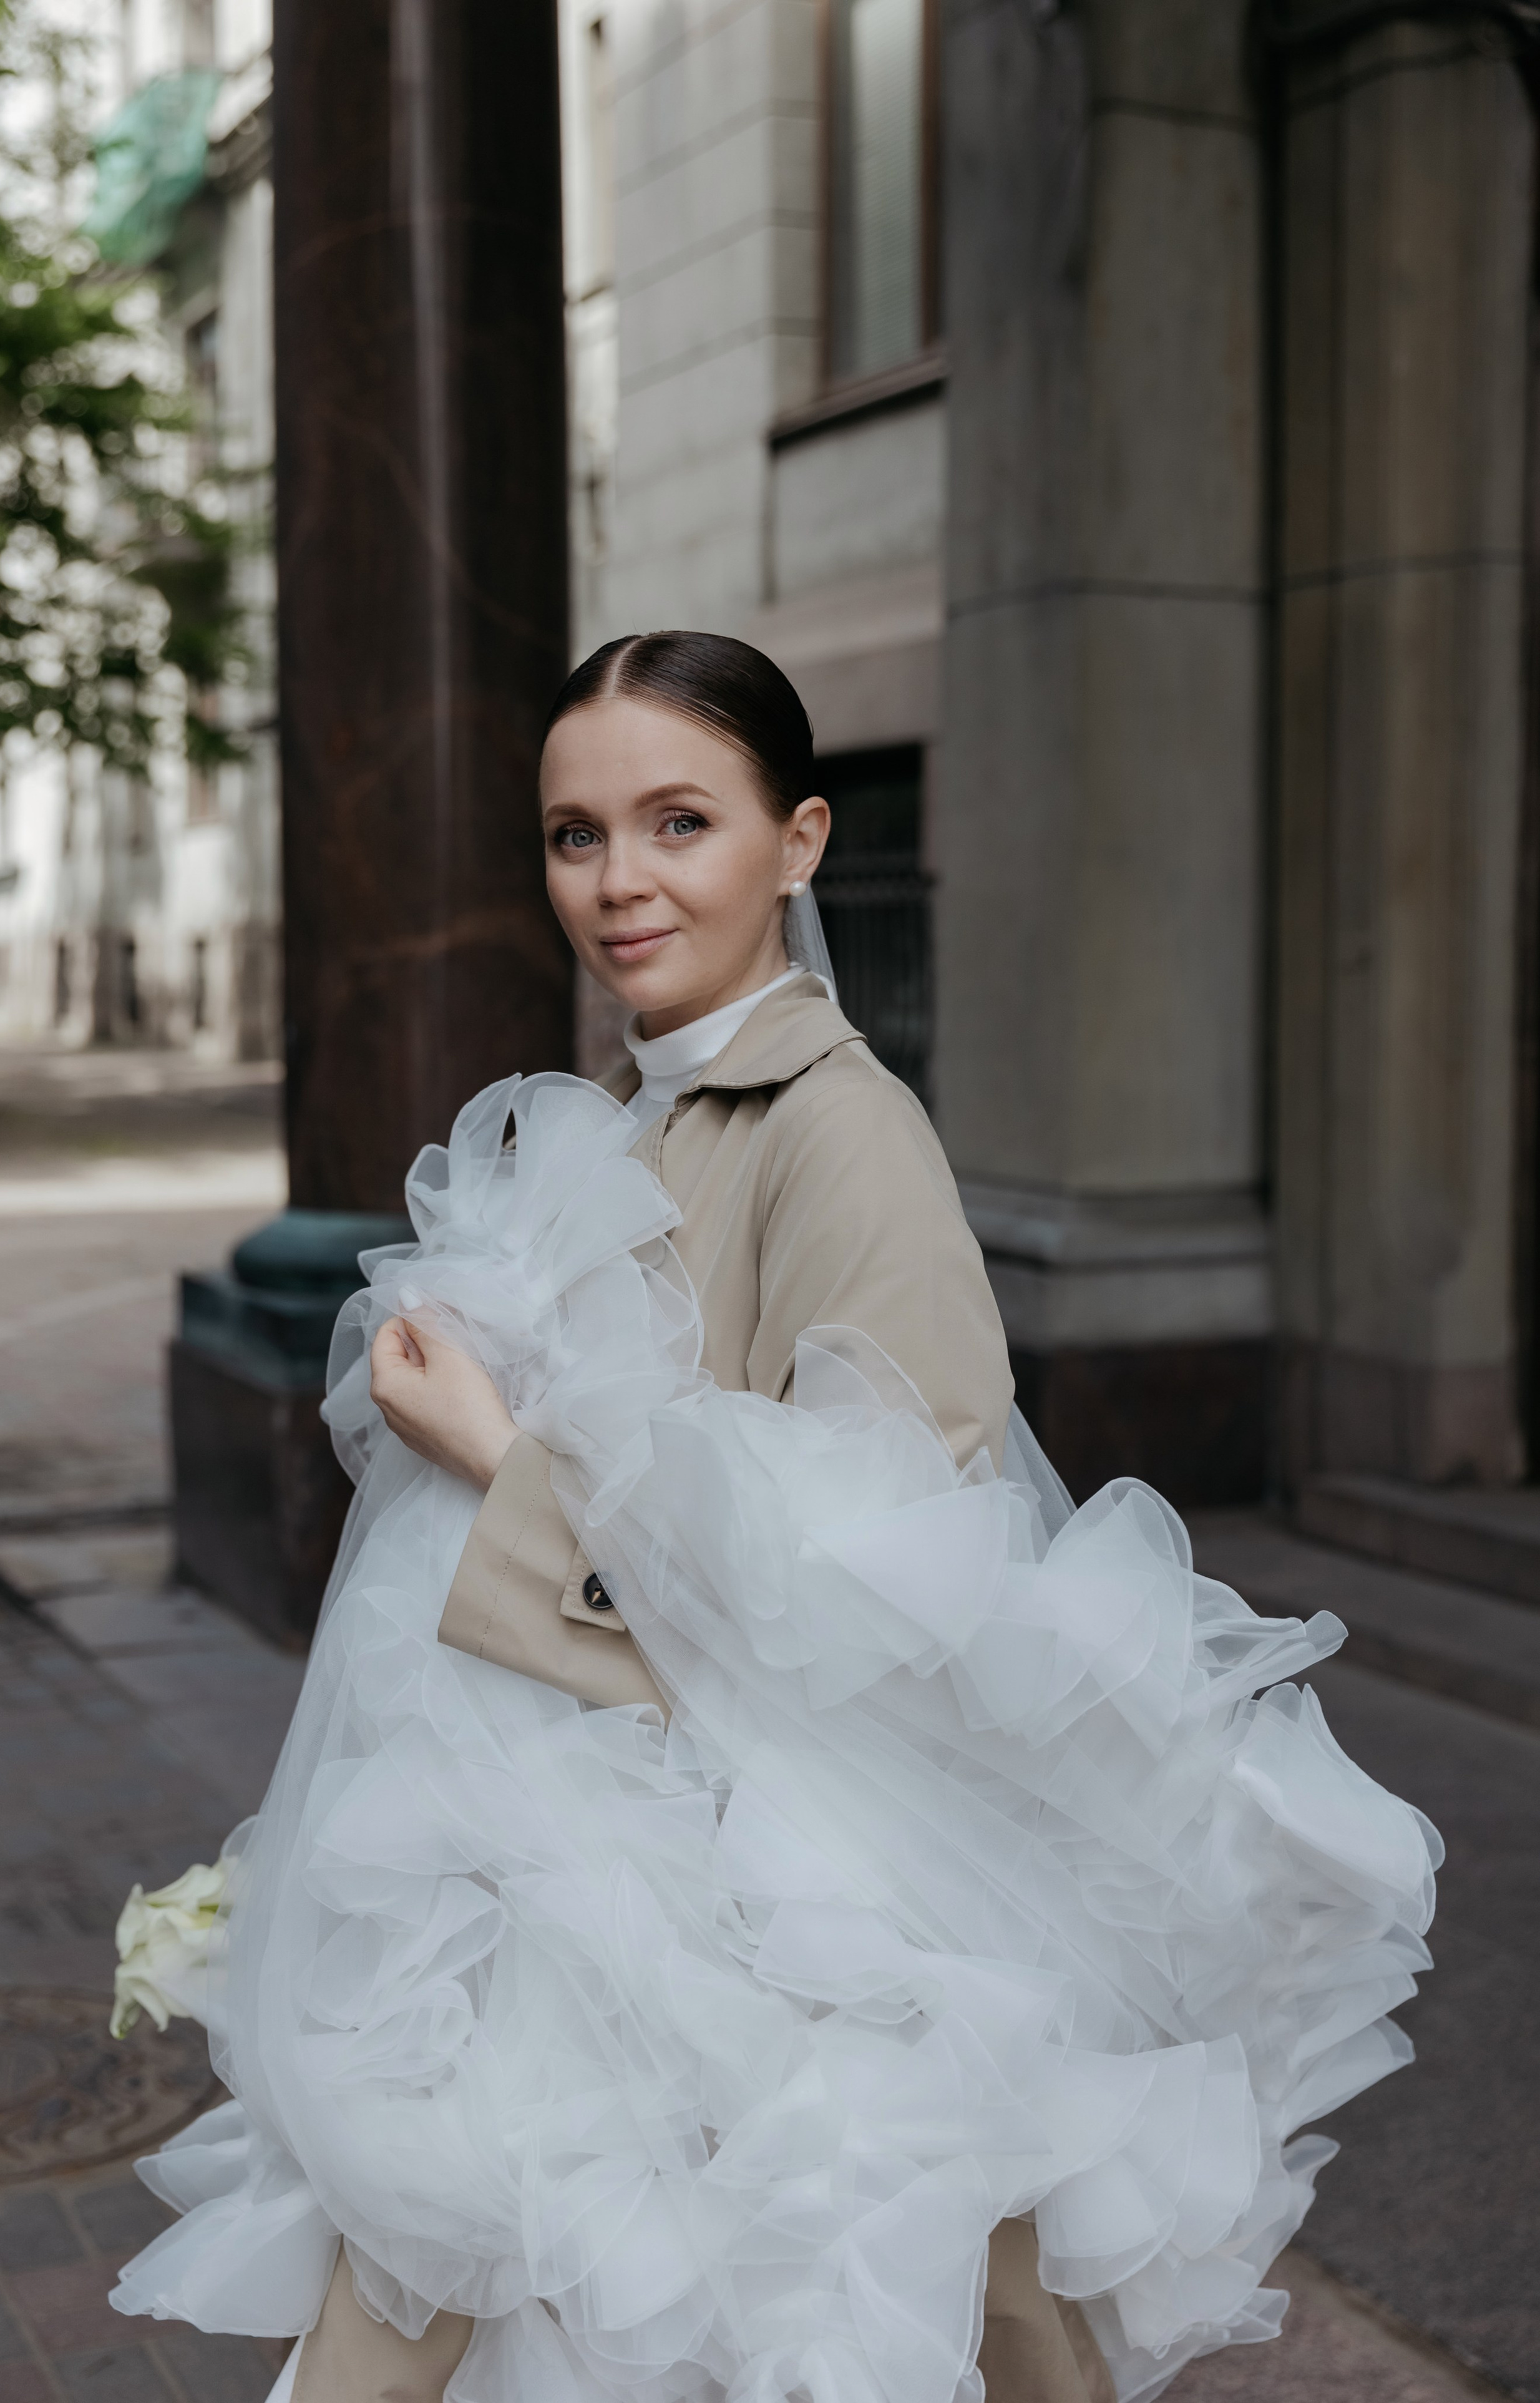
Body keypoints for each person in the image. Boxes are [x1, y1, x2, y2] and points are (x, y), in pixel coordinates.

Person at [109, 633, 1440, 2403]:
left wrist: (503, 1451)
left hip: (768, 1895)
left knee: (743, 2291)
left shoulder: (841, 1134)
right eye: (577, 835)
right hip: (602, 1853)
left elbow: (888, 1578)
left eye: (680, 820)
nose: (621, 879)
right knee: (469, 2264)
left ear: (801, 839)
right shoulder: (646, 1115)